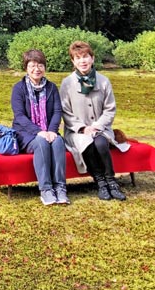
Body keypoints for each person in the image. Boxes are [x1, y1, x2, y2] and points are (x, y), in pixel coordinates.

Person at [60, 41, 127, 201]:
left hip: (101, 128)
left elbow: (110, 108)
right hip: (76, 132)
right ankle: (100, 182)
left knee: (101, 143)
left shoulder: (103, 81)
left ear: (92, 58)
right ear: (73, 61)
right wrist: (82, 128)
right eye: (78, 58)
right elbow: (65, 111)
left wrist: (97, 126)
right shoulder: (67, 83)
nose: (82, 61)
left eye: (86, 57)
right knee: (88, 143)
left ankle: (112, 181)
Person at [10, 48, 70, 206]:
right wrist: (39, 132)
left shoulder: (51, 88)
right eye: (32, 66)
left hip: (48, 130)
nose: (37, 69)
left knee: (58, 142)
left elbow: (57, 111)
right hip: (26, 134)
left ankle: (61, 188)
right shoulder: (19, 88)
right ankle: (46, 190)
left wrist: (51, 130)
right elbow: (20, 116)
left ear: (45, 67)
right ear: (26, 68)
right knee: (41, 142)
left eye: (40, 65)